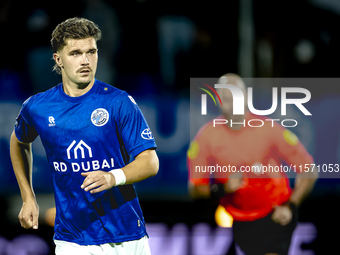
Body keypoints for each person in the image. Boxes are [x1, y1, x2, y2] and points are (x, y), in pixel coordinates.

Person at [10, 17, 159, 255]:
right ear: (58, 59)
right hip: (73, 239)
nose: (85, 60)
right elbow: (18, 142)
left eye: (91, 51)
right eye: (76, 53)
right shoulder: (37, 107)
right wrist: (28, 197)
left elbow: (150, 162)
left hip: (127, 236)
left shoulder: (118, 102)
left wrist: (113, 177)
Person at [188, 74, 318, 255]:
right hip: (241, 220)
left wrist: (291, 205)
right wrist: (222, 188)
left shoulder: (268, 129)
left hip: (276, 213)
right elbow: (195, 188)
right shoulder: (206, 138)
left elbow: (309, 170)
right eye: (225, 96)